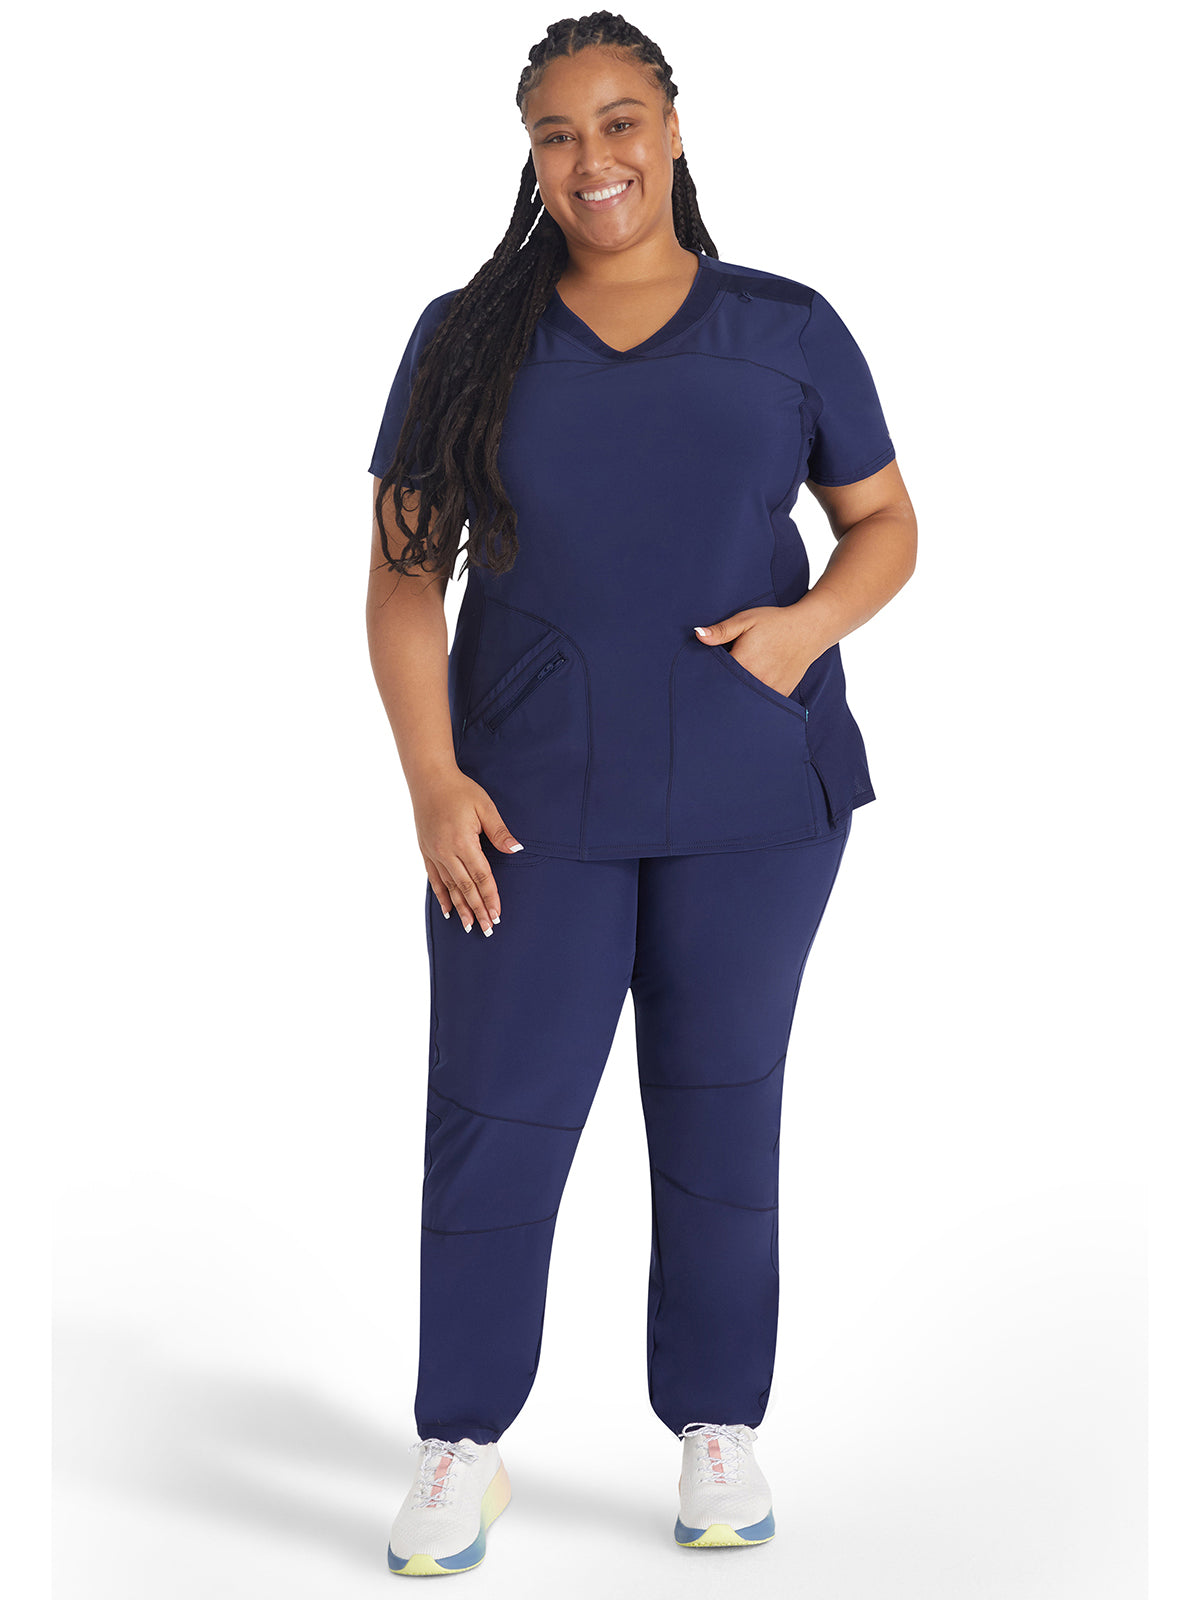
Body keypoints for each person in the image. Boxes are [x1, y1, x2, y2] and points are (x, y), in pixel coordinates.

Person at [365, 12, 917, 1578]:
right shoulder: (468, 338)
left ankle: (717, 1428)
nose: (591, 159)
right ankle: (462, 1444)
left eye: (618, 122)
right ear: (530, 158)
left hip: (756, 799)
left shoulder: (786, 328)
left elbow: (885, 522)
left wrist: (807, 628)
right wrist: (431, 781)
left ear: (671, 127)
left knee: (723, 1109)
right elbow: (401, 581)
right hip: (525, 808)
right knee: (496, 1117)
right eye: (557, 134)